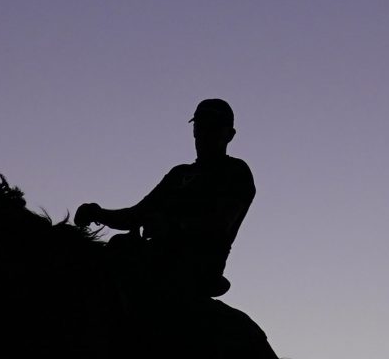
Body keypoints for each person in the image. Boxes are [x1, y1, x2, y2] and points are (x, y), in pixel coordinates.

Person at [76, 98, 255, 297]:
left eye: (212, 126)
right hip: (155, 255)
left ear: (229, 135)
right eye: (199, 125)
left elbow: (217, 225)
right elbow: (136, 214)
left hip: (195, 270)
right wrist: (97, 213)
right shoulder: (179, 174)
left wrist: (169, 225)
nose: (204, 133)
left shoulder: (236, 172)